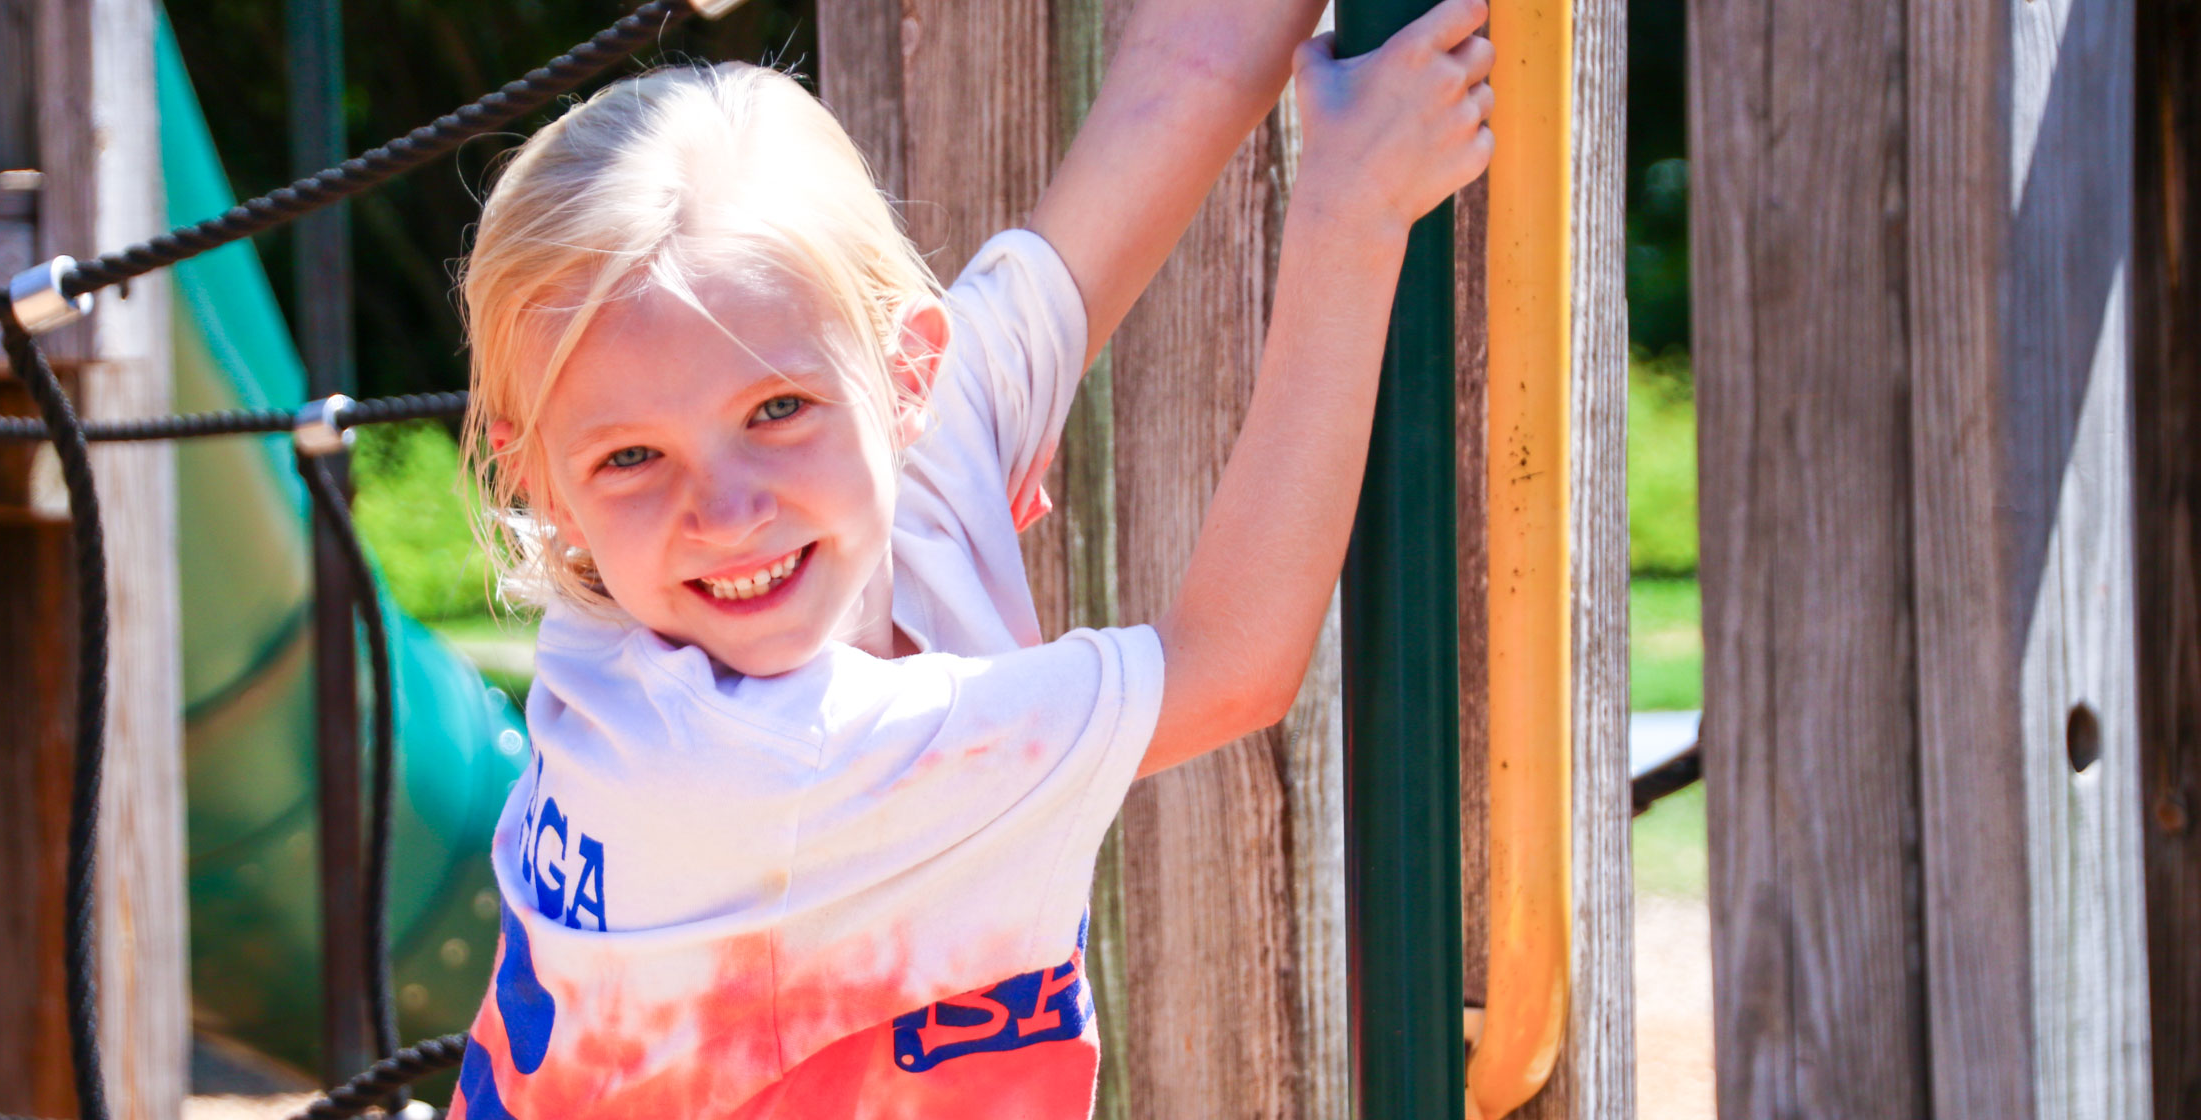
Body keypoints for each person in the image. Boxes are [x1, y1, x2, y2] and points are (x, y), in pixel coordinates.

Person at [446, 0, 1494, 1113]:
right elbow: (1232, 665)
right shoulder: (753, 762)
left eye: (777, 408)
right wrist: (1356, 208)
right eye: (633, 457)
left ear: (909, 375)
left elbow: (1191, 66)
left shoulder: (916, 448)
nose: (726, 509)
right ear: (541, 481)